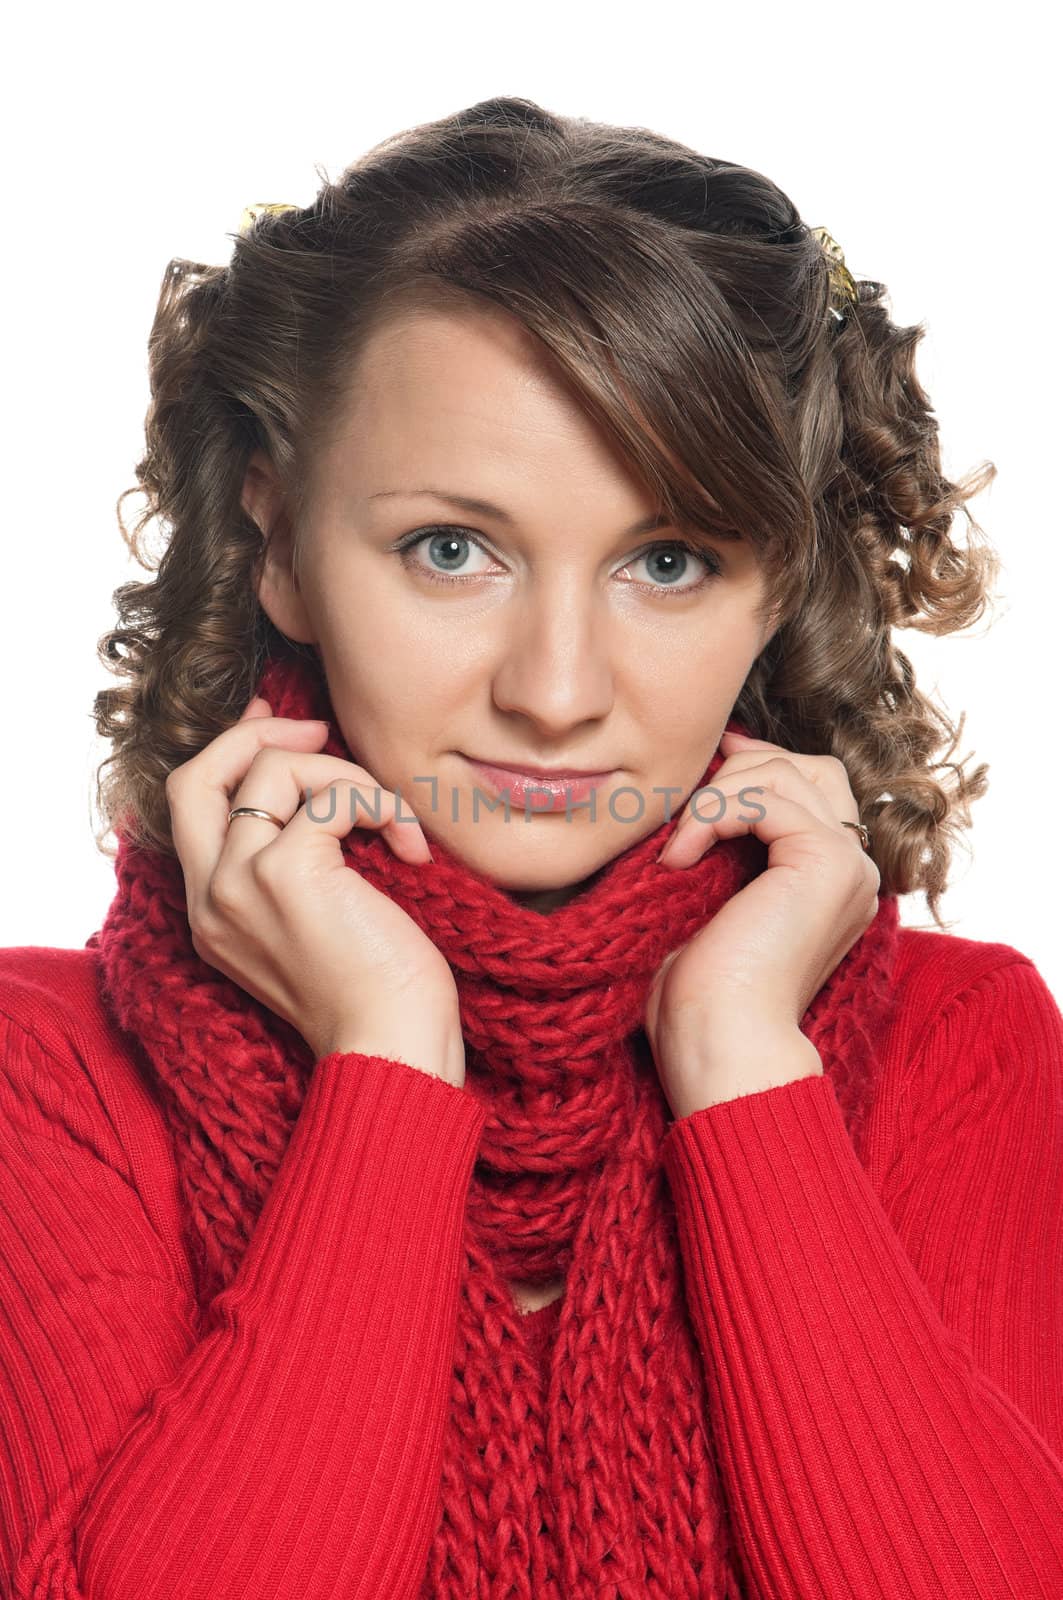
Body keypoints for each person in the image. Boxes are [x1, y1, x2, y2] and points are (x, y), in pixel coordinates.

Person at [1, 94, 1060, 1600]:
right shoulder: (45, 1072)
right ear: (284, 542)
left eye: (669, 561)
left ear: (780, 587)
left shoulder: (967, 1045)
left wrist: (746, 1060)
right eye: (453, 550)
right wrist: (384, 1058)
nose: (555, 694)